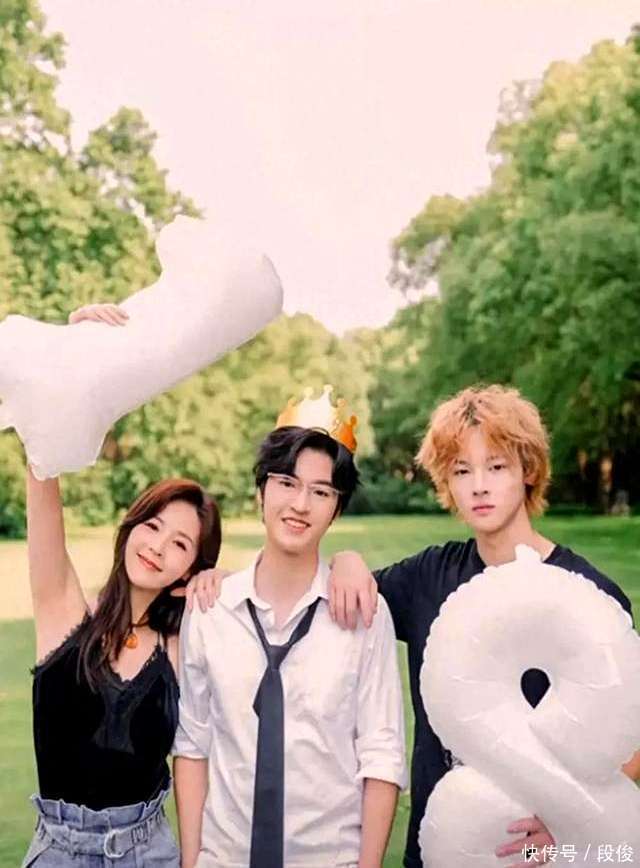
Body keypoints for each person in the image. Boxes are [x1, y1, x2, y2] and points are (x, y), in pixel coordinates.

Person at [327, 384, 639, 868]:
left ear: (527, 470)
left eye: (496, 467)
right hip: (440, 846)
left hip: (535, 854)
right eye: (461, 470)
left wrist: (574, 820)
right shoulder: (427, 577)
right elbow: (331, 595)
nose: (479, 486)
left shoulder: (588, 596)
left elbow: (629, 739)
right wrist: (345, 561)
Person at [22, 303, 222, 868]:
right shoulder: (62, 612)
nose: (157, 546)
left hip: (147, 852)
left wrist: (223, 580)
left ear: (190, 568)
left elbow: (272, 596)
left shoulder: (181, 645)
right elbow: (41, 466)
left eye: (180, 544)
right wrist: (73, 353)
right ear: (130, 528)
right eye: (152, 526)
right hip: (58, 852)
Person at [173, 419, 408, 868]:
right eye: (286, 483)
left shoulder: (364, 614)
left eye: (321, 492)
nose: (300, 504)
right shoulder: (210, 610)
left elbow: (382, 753)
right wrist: (191, 860)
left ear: (336, 509)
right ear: (260, 492)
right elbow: (192, 744)